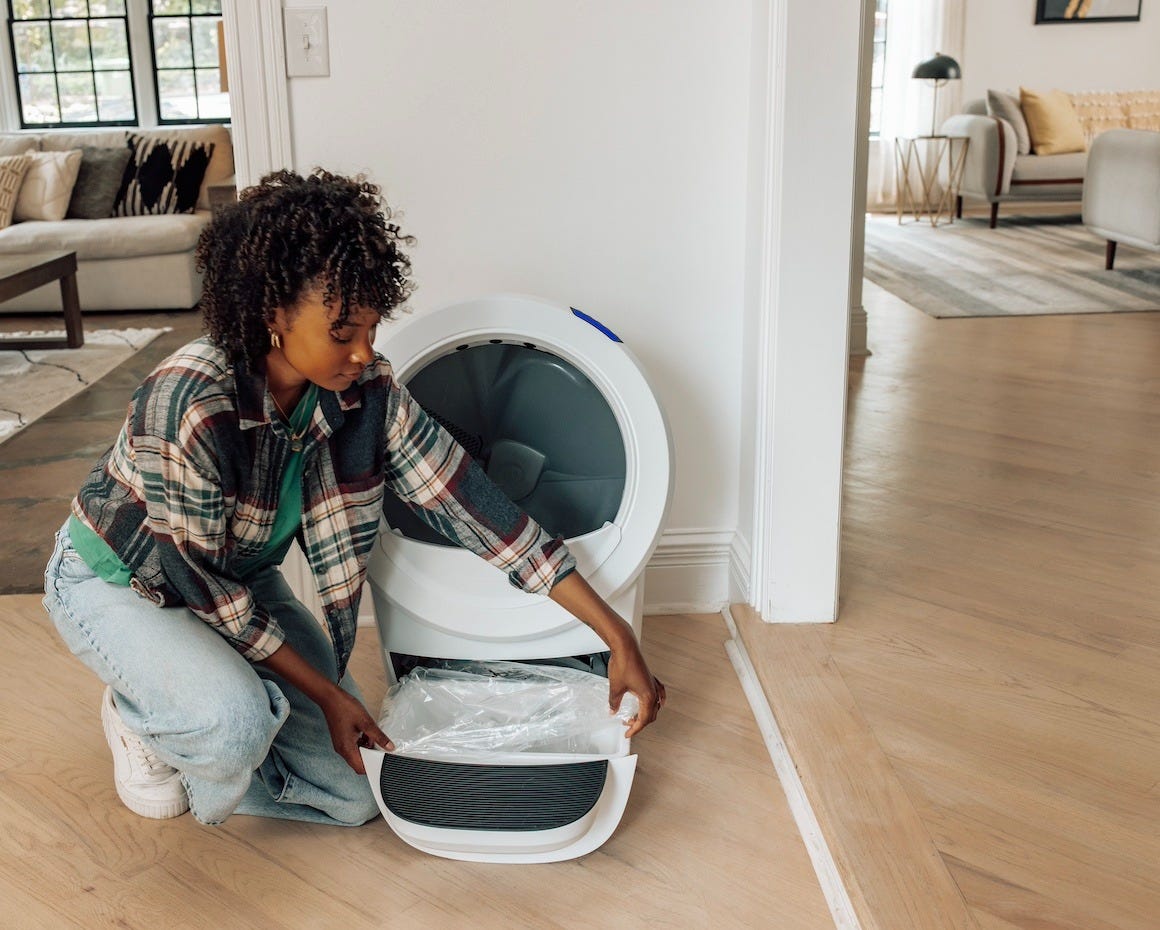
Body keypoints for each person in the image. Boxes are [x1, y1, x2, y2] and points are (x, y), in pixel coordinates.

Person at [42, 169, 665, 827]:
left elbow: (476, 508)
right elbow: (197, 583)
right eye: (344, 331)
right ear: (274, 313)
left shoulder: (366, 391)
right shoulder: (192, 402)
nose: (365, 350)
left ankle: (211, 701)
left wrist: (616, 633)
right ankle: (146, 711)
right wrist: (320, 696)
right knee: (232, 723)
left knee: (356, 795)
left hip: (238, 585)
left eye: (371, 326)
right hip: (125, 583)